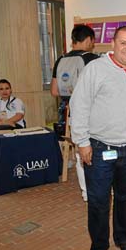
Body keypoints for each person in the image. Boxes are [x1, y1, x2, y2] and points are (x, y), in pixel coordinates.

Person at [69, 26, 126, 250]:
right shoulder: (95, 69)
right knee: (98, 200)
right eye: (123, 43)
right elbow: (80, 106)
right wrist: (82, 142)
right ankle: (99, 248)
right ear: (112, 45)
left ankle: (123, 238)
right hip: (98, 147)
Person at [51, 24, 99, 202]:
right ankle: (99, 189)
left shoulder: (60, 59)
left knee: (80, 150)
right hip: (91, 111)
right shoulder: (93, 59)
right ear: (88, 40)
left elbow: (55, 91)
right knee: (97, 149)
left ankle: (85, 192)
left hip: (68, 112)